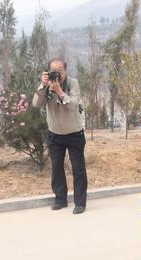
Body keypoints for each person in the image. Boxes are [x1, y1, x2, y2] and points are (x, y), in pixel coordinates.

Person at [33, 58, 87, 214]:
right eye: (53, 71)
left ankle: (80, 203)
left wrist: (59, 91)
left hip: (74, 133)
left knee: (78, 169)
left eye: (60, 71)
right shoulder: (46, 86)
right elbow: (36, 104)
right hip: (55, 134)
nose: (57, 74)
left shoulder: (73, 83)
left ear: (65, 70)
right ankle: (60, 199)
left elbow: (72, 106)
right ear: (48, 72)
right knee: (57, 168)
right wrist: (43, 86)